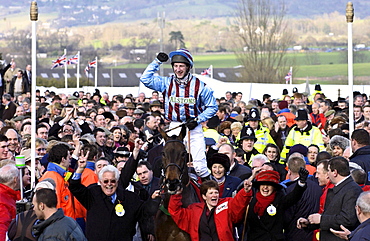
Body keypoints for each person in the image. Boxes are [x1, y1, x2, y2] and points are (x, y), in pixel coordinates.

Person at [140, 49, 217, 180]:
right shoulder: (166, 83)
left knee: (200, 168)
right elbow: (145, 79)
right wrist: (157, 61)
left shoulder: (201, 86)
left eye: (181, 66)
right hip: (174, 126)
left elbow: (213, 107)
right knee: (169, 166)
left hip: (193, 127)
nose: (178, 69)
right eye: (175, 66)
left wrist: (198, 119)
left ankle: (210, 192)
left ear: (188, 67)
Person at [68, 157, 161, 241]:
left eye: (112, 181)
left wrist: (154, 200)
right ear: (100, 182)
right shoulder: (92, 194)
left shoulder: (130, 198)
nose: (109, 184)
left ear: (117, 181)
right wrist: (80, 169)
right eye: (105, 181)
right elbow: (74, 187)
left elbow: (145, 211)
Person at [297, 157, 363, 241]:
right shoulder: (337, 188)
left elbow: (348, 219)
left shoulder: (352, 190)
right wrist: (310, 223)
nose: (327, 174)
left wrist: (321, 219)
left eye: (328, 170)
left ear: (335, 172)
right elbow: (330, 216)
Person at [168, 179, 253, 241]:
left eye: (216, 192)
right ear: (204, 196)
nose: (214, 195)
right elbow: (176, 212)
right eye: (211, 193)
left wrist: (245, 191)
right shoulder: (194, 210)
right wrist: (176, 196)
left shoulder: (226, 204)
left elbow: (238, 204)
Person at [243, 168, 308, 241]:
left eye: (269, 185)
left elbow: (293, 197)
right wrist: (251, 178)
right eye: (263, 184)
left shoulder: (279, 199)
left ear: (274, 187)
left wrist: (301, 183)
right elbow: (238, 200)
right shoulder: (251, 200)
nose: (265, 187)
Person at [284, 156, 322, 241]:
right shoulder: (318, 188)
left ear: (289, 172)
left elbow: (287, 217)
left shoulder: (289, 190)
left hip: (293, 234)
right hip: (313, 234)